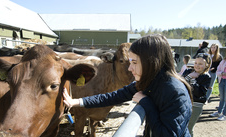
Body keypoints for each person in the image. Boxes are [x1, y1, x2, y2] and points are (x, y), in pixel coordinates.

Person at [63, 34, 193, 137]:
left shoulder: (175, 93)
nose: (130, 68)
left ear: (152, 63)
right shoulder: (148, 82)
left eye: (134, 62)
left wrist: (146, 103)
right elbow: (112, 97)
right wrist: (76, 102)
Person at [182, 53, 211, 137]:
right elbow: (180, 84)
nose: (197, 65)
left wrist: (193, 81)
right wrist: (189, 77)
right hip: (184, 102)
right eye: (196, 63)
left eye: (200, 64)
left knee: (188, 128)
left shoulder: (206, 77)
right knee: (181, 126)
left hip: (196, 105)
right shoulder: (188, 71)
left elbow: (199, 93)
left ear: (207, 65)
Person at [209, 54, 226, 121]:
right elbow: (218, 71)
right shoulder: (223, 61)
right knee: (222, 98)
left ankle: (224, 115)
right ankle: (219, 112)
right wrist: (222, 73)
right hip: (222, 80)